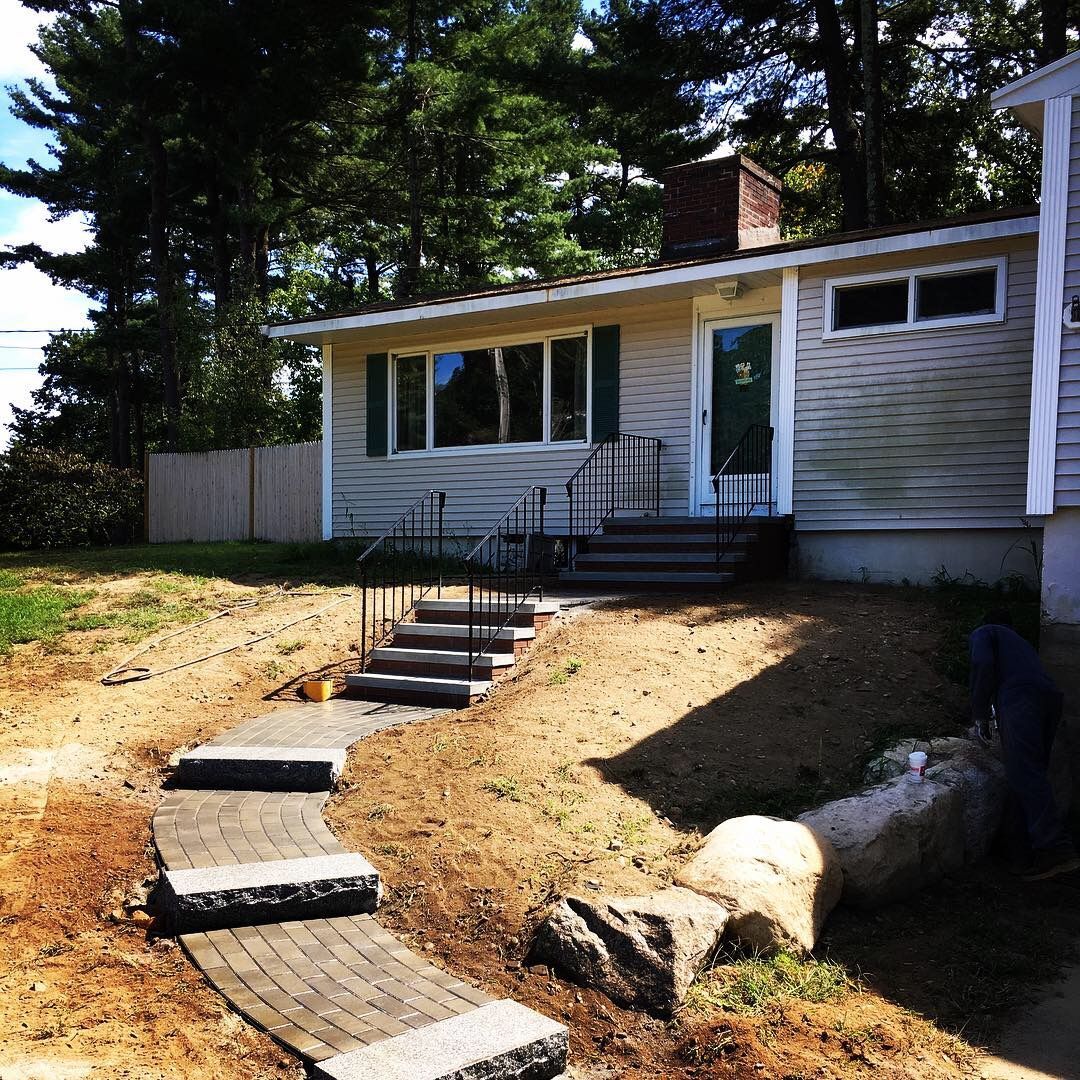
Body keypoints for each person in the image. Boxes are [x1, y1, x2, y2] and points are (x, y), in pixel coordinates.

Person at [969, 610, 1080, 881]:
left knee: (1025, 773)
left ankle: (1055, 847)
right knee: (1029, 773)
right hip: (1049, 699)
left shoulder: (986, 632)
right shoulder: (1020, 644)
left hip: (1021, 699)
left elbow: (982, 663)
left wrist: (979, 712)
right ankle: (1022, 853)